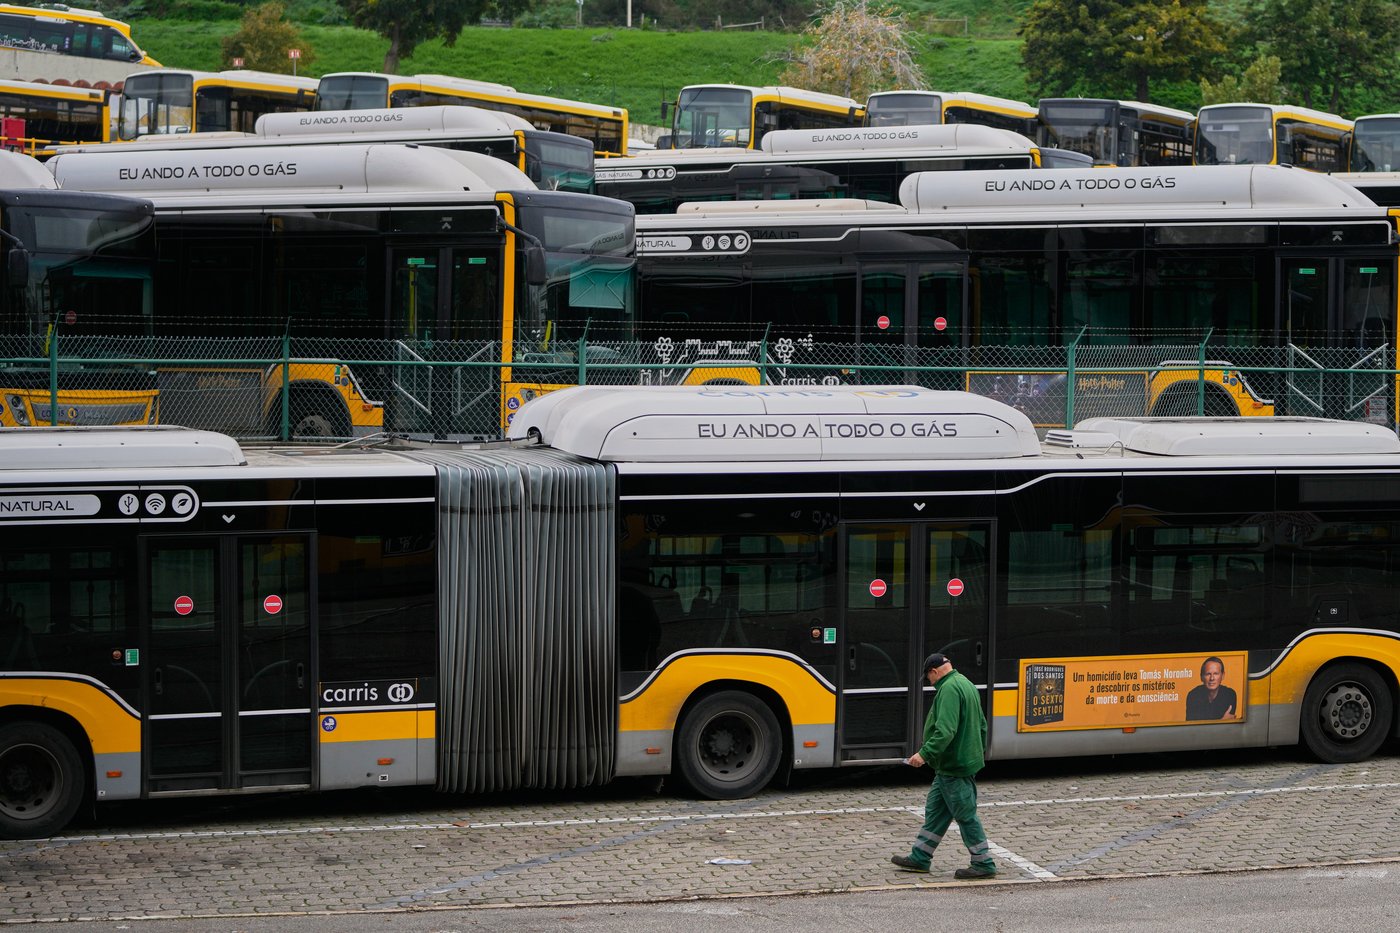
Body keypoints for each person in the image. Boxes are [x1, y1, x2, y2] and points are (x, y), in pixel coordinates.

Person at [890, 652, 996, 879]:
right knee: (936, 811)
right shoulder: (965, 683)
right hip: (954, 764)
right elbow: (982, 725)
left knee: (966, 815)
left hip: (954, 766)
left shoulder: (948, 689)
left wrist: (924, 754)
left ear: (934, 672)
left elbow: (946, 730)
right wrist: (976, 752)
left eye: (928, 678)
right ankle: (920, 857)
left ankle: (984, 863)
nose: (930, 683)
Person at [1185, 656, 1237, 720]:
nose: (1212, 678)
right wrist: (1222, 721)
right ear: (1201, 677)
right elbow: (1192, 728)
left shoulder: (1230, 695)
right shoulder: (1193, 696)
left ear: (1222, 676)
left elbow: (1228, 727)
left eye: (1216, 673)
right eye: (1208, 674)